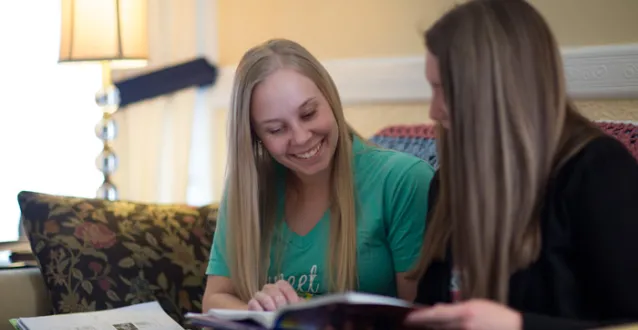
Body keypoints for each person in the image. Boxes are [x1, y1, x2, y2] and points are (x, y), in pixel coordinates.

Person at [403, 0, 638, 329]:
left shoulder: (598, 173)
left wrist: (518, 325)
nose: (433, 110)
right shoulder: (449, 183)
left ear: (497, 89)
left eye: (446, 90)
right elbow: (431, 307)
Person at [202, 39, 435, 312]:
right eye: (276, 129)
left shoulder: (404, 181)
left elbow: (421, 318)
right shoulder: (248, 188)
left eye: (309, 113)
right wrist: (267, 318)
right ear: (256, 138)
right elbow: (214, 300)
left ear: (330, 98)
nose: (301, 138)